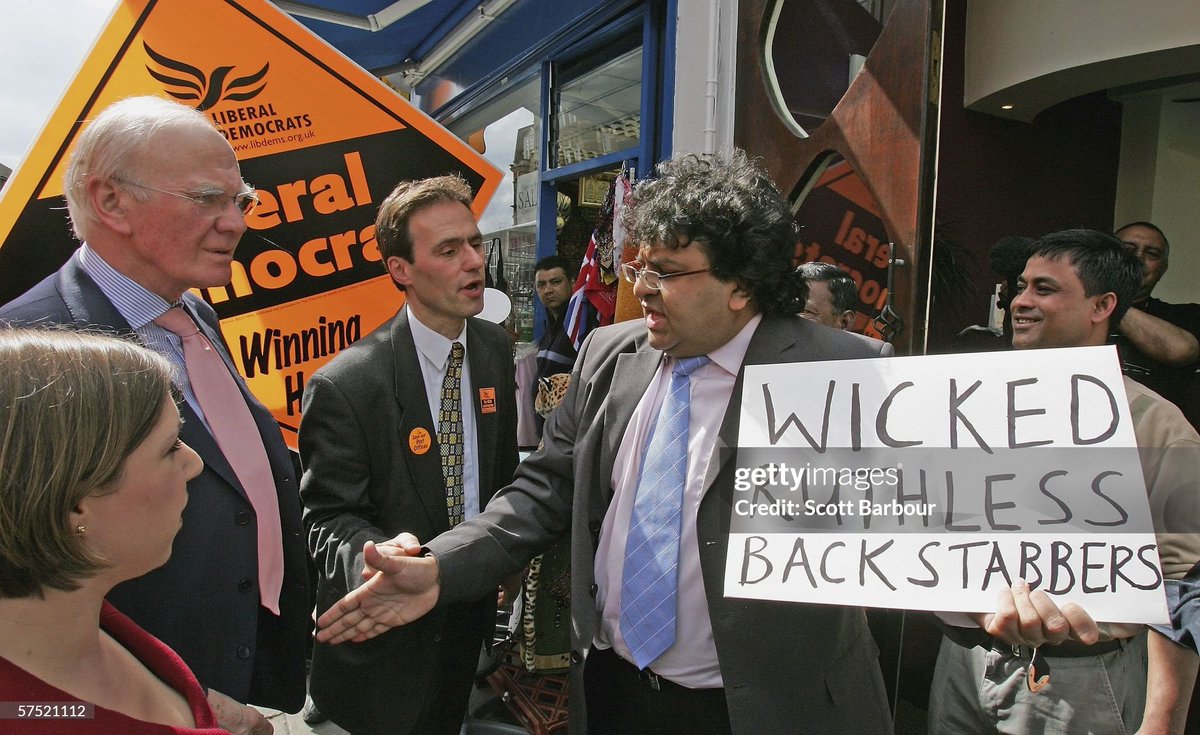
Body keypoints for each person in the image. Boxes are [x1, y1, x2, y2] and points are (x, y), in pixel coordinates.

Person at [312, 149, 896, 734]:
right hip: (615, 696)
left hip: (765, 711)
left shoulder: (845, 371)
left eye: (664, 272)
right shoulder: (608, 357)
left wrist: (981, 608)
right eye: (638, 266)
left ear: (740, 284)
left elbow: (931, 536)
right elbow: (541, 492)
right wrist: (437, 568)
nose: (640, 288)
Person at [0, 96, 308, 722]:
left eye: (239, 200)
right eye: (207, 199)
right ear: (111, 201)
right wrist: (156, 692)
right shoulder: (29, 354)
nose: (236, 223)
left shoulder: (195, 313)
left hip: (248, 665)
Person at [929, 229, 1200, 734]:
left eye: (1044, 289)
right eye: (1021, 286)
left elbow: (1184, 580)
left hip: (1076, 685)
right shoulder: (964, 405)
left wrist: (1164, 719)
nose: (1020, 301)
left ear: (1102, 306)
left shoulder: (1159, 426)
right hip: (960, 667)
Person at [298, 174, 519, 735]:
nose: (474, 262)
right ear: (401, 269)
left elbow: (499, 473)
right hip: (383, 653)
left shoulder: (494, 349)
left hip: (466, 625)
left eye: (474, 242)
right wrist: (380, 555)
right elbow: (326, 519)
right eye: (448, 250)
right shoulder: (347, 385)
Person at [0, 329, 268, 734]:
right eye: (170, 447)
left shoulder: (76, 613)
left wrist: (208, 707)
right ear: (75, 504)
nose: (194, 464)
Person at [1110, 221, 1200, 429]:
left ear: (1163, 269)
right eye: (1127, 249)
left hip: (1152, 441)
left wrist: (1104, 301)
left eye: (1152, 254)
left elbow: (1182, 350)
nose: (1138, 258)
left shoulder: (1185, 316)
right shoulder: (1070, 311)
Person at [796, 260, 895, 355]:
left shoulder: (868, 362)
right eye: (784, 311)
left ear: (845, 323)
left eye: (806, 312)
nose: (788, 321)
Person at [532, 254, 581, 434]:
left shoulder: (578, 329)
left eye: (555, 282)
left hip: (565, 434)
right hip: (547, 434)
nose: (548, 290)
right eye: (541, 284)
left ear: (573, 282)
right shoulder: (548, 330)